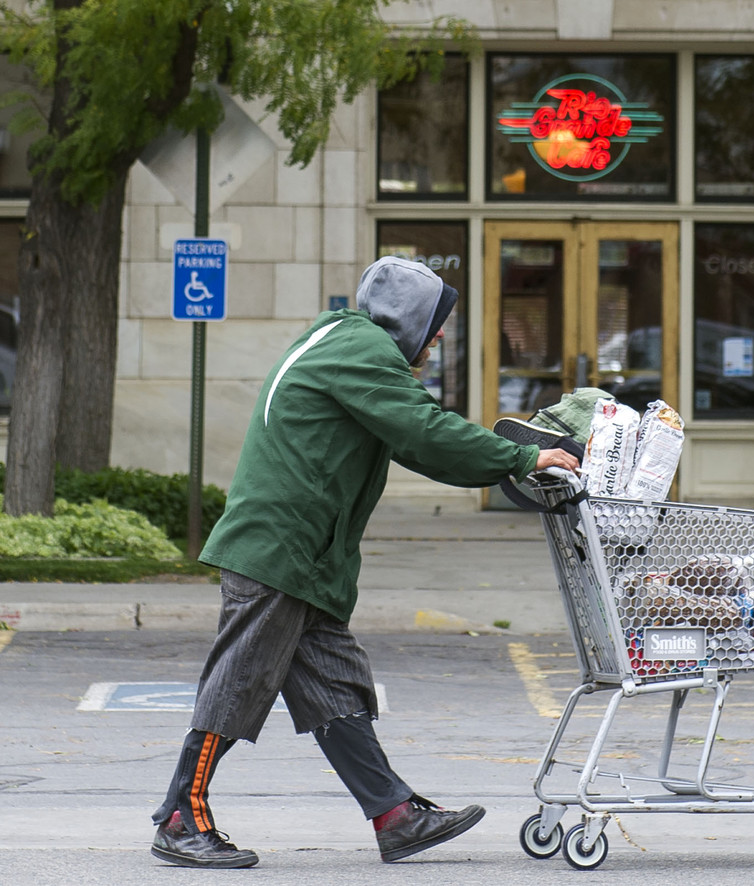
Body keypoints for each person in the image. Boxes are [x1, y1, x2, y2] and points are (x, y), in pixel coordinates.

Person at [149, 256, 580, 869]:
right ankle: (177, 816)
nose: (437, 338)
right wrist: (520, 458)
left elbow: (415, 438)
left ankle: (394, 814)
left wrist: (503, 457)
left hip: (301, 553)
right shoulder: (364, 351)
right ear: (406, 319)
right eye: (434, 324)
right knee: (240, 680)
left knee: (335, 682)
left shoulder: (341, 340)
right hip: (282, 550)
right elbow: (424, 431)